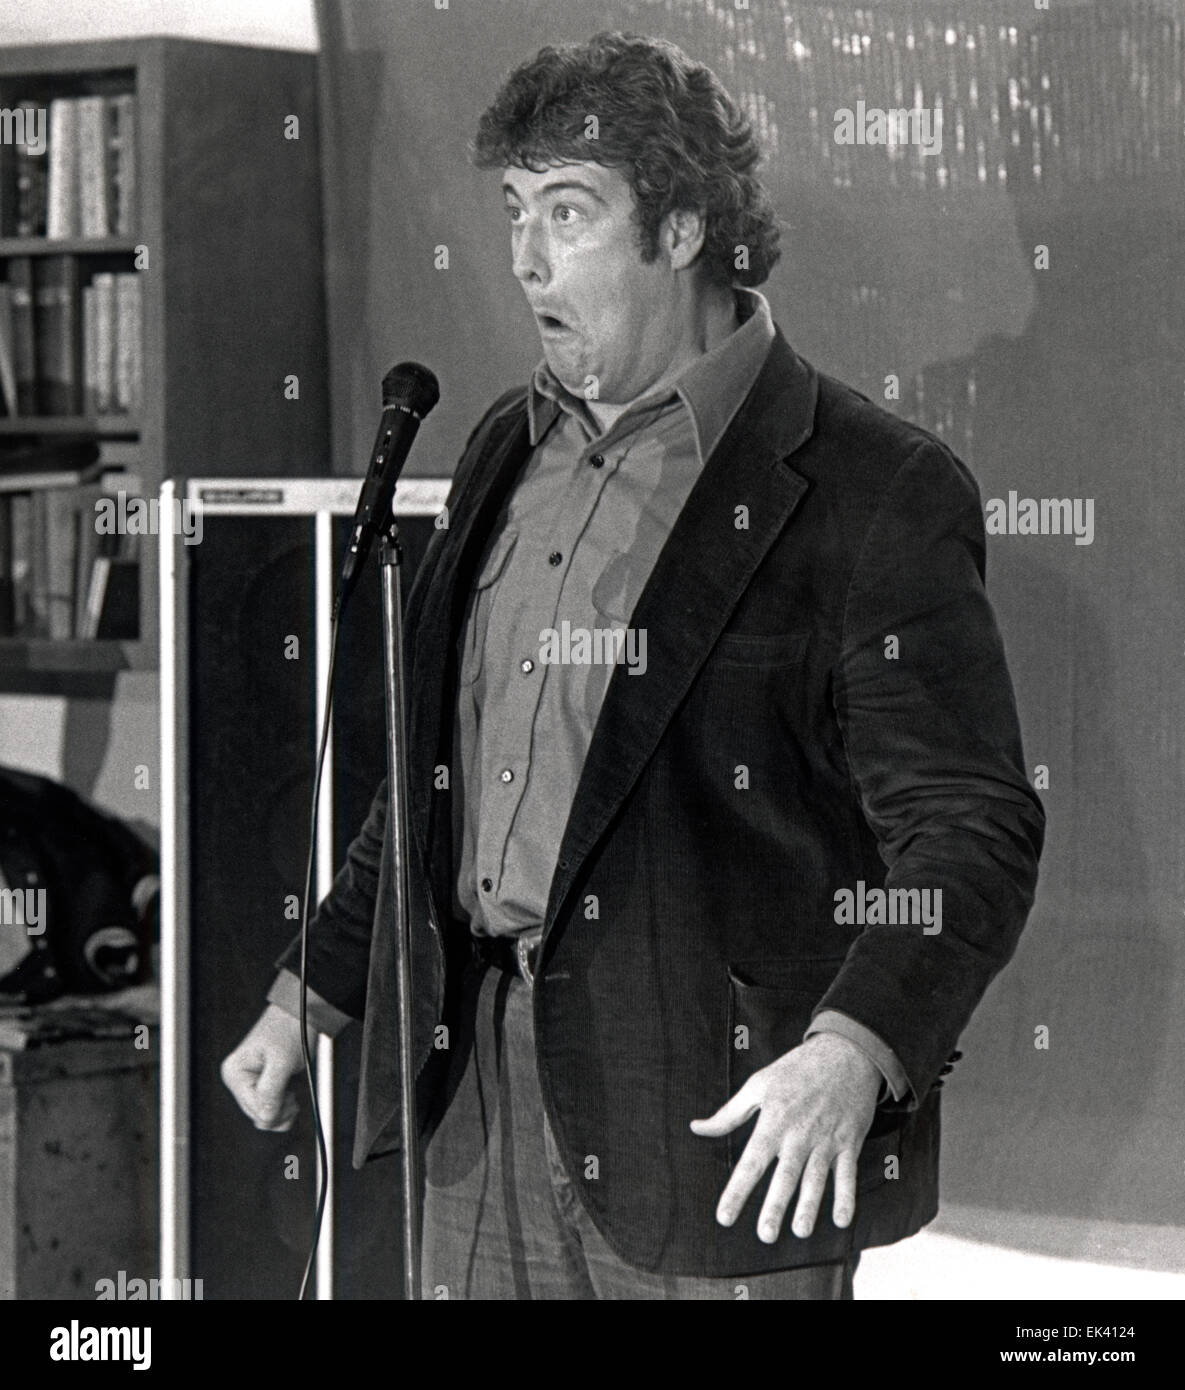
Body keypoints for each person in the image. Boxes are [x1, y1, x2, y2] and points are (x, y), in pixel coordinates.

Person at [222, 31, 1044, 1300]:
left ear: (681, 231)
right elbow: (434, 781)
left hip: (720, 1126)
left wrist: (858, 1047)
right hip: (475, 1093)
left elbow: (972, 826)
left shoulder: (874, 487)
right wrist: (310, 996)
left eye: (568, 210)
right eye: (512, 209)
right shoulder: (505, 443)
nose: (524, 258)